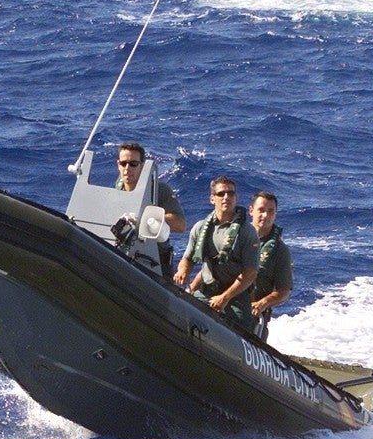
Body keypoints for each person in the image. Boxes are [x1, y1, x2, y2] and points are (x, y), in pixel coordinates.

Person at [173, 176, 259, 333]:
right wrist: (183, 271)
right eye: (221, 194)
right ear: (212, 199)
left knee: (240, 329)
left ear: (236, 198)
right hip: (207, 291)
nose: (226, 197)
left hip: (235, 296)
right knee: (179, 313)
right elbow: (188, 258)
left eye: (231, 193)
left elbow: (250, 273)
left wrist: (225, 298)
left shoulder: (247, 232)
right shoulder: (200, 228)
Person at [114, 142, 187, 276]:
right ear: (118, 164)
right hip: (123, 254)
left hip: (153, 260)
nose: (127, 168)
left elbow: (181, 225)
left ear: (142, 166)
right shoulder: (118, 190)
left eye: (133, 164)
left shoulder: (159, 190)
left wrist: (148, 219)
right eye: (123, 163)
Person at [248, 191, 293, 341]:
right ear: (251, 211)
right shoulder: (234, 237)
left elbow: (284, 291)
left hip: (251, 315)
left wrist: (263, 303)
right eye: (261, 210)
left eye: (270, 211)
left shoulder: (280, 251)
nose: (265, 216)